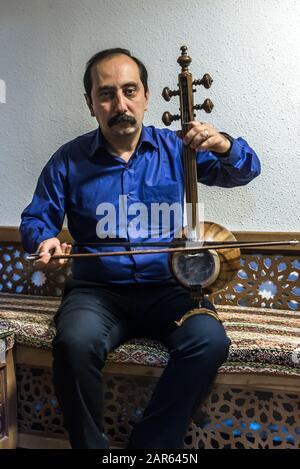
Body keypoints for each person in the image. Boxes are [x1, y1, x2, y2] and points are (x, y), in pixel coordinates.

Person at [20, 48, 261, 449]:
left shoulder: (179, 148)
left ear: (147, 95)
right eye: (107, 94)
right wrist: (45, 239)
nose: (120, 104)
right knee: (73, 343)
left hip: (173, 289)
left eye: (130, 90)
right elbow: (35, 219)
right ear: (90, 103)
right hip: (96, 294)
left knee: (209, 340)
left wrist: (222, 143)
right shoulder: (68, 159)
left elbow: (245, 170)